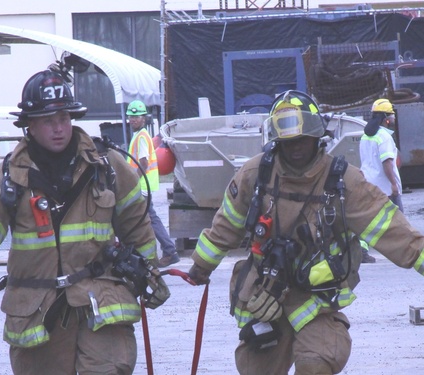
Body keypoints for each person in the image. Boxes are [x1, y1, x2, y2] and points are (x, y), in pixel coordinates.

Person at [187, 90, 424, 375]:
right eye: (289, 140)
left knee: (318, 360)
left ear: (317, 136)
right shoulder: (256, 175)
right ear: (276, 139)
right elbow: (226, 225)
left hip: (316, 298)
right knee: (255, 368)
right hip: (266, 294)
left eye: (303, 138)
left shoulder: (343, 182)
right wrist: (200, 267)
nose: (296, 146)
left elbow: (393, 231)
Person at [0, 70, 168, 375]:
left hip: (101, 299)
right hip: (39, 309)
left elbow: (137, 225)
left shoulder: (106, 165)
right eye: (48, 121)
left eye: (64, 118)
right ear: (30, 126)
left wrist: (150, 274)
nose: (59, 128)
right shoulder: (9, 176)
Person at [126, 100, 180, 268]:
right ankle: (164, 250)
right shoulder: (139, 136)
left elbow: (143, 162)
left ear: (144, 119)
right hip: (142, 186)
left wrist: (133, 180)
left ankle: (169, 251)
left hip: (141, 187)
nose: (133, 119)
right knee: (146, 218)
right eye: (131, 116)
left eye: (137, 116)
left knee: (146, 219)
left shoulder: (142, 137)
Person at [359, 98, 404, 263]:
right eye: (391, 115)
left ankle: (362, 250)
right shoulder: (384, 137)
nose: (393, 118)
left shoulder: (366, 136)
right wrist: (393, 184)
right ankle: (401, 251)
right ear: (386, 117)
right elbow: (387, 164)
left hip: (368, 184)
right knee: (399, 219)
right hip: (385, 187)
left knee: (369, 219)